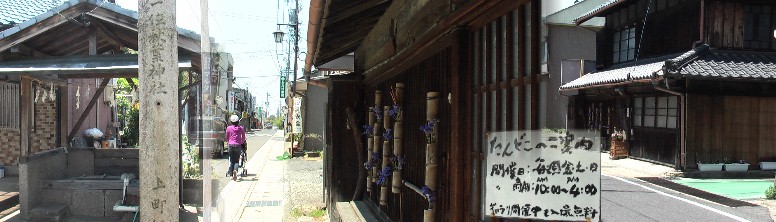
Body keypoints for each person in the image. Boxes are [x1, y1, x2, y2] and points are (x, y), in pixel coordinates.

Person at [225, 114, 246, 181]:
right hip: (238, 145)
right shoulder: (241, 128)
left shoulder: (228, 128)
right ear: (238, 121)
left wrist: (229, 142)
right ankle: (235, 171)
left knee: (231, 160)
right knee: (237, 161)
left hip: (231, 145)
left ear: (231, 122)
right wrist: (241, 142)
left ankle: (231, 175)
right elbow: (243, 137)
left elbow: (227, 137)